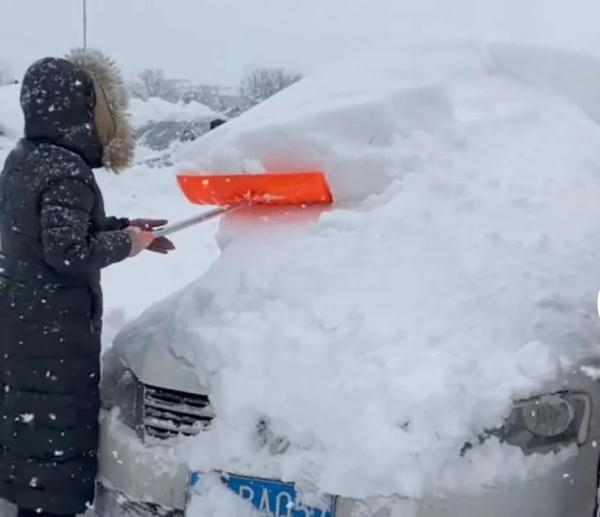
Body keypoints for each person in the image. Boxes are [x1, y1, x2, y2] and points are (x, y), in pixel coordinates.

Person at [0, 50, 174, 516]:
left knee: (32, 436)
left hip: (27, 326)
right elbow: (68, 251)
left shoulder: (26, 158)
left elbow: (51, 231)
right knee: (54, 443)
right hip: (55, 335)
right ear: (78, 109)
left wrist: (125, 226)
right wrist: (129, 243)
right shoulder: (65, 169)